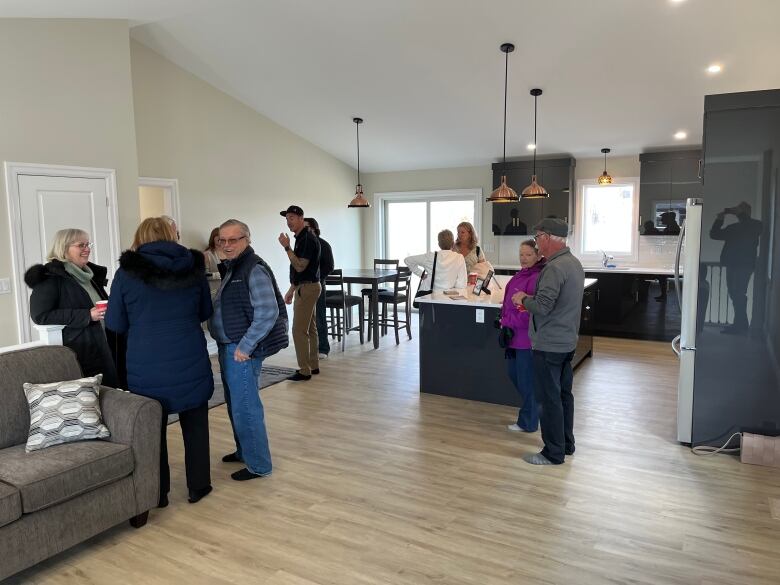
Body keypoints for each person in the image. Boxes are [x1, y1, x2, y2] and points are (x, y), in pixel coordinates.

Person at [105, 218, 214, 506]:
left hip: (146, 360)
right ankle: (198, 486)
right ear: (171, 235)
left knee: (152, 427)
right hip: (189, 353)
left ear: (139, 237)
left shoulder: (126, 273)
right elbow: (205, 311)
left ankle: (159, 492)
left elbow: (115, 322)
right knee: (196, 423)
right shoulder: (194, 266)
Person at [209, 219, 288, 480]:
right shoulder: (235, 267)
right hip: (230, 345)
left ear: (247, 240)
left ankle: (259, 464)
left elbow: (268, 311)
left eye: (234, 240)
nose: (227, 245)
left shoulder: (253, 269)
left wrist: (245, 346)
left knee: (245, 406)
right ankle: (245, 450)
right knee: (236, 403)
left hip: (241, 349)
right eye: (223, 240)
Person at [511, 218, 584, 465]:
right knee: (564, 395)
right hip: (567, 341)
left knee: (548, 399)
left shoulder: (553, 268)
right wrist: (534, 297)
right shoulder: (574, 263)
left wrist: (522, 299)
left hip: (549, 343)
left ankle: (553, 453)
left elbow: (542, 307)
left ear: (550, 238)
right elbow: (556, 302)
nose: (537, 241)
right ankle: (566, 444)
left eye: (539, 236)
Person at [25, 229, 120, 388]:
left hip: (103, 345)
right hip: (82, 350)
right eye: (81, 245)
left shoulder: (88, 275)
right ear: (64, 249)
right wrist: (86, 315)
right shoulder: (51, 277)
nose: (87, 249)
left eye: (88, 244)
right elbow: (40, 315)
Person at [500, 240, 544, 433]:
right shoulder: (521, 274)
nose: (523, 258)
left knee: (526, 380)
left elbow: (528, 313)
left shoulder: (536, 278)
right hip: (512, 336)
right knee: (514, 374)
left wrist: (507, 320)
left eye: (528, 254)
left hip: (525, 338)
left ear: (537, 255)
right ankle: (534, 410)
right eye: (521, 254)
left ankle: (528, 421)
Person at [279, 205, 321, 381]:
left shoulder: (305, 240)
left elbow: (300, 266)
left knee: (298, 330)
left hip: (307, 288)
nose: (289, 222)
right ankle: (313, 365)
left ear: (301, 218)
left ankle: (304, 370)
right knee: (310, 328)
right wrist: (291, 289)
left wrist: (287, 247)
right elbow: (301, 271)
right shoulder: (303, 238)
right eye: (287, 218)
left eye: (292, 218)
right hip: (308, 286)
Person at [709, 201, 762, 334]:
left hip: (741, 266)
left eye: (739, 210)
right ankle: (740, 324)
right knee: (736, 294)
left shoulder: (754, 225)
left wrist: (727, 215)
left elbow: (715, 234)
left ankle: (740, 325)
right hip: (737, 265)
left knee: (737, 294)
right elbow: (714, 235)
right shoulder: (741, 227)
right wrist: (721, 218)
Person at [304, 217, 335, 359]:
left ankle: (323, 348)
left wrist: (316, 278)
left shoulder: (323, 245)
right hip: (303, 286)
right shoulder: (302, 245)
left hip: (317, 285)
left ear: (314, 229)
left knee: (320, 317)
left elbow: (329, 266)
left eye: (306, 227)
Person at [204, 227, 225, 299]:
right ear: (213, 237)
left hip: (229, 292)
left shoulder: (229, 253)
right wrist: (220, 274)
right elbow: (203, 275)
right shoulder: (207, 255)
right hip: (214, 293)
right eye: (218, 235)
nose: (220, 237)